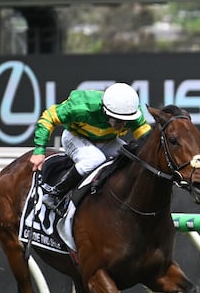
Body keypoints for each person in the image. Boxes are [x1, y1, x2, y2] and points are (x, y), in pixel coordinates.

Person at [30, 83, 151, 211]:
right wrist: (39, 150)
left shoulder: (132, 112)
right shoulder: (81, 106)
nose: (122, 125)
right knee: (95, 159)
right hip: (75, 137)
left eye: (126, 121)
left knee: (130, 158)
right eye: (118, 120)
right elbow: (48, 118)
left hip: (107, 140)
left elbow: (147, 140)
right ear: (105, 112)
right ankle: (55, 194)